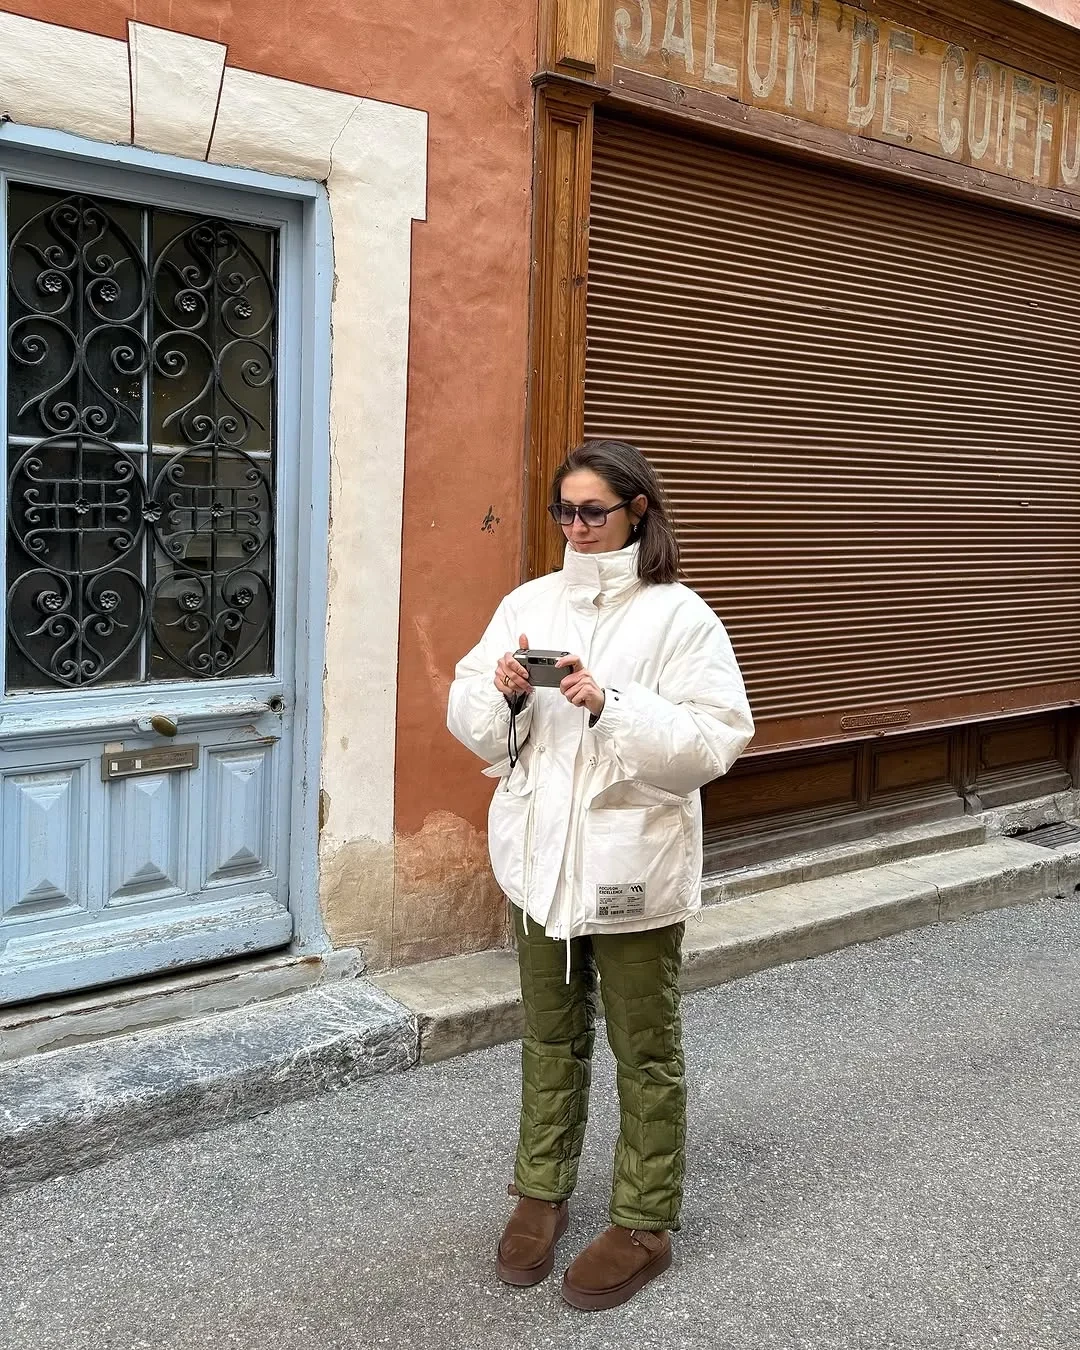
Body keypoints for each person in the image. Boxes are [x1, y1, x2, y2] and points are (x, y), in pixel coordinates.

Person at [446, 439, 754, 1311]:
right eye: (565, 512)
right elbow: (470, 716)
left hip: (631, 866)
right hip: (539, 863)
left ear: (637, 511)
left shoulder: (680, 616)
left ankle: (646, 1222)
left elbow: (715, 741)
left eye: (593, 512)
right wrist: (504, 692)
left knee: (645, 1050)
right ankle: (539, 1192)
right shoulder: (528, 603)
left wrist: (609, 703)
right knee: (548, 1036)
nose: (576, 528)